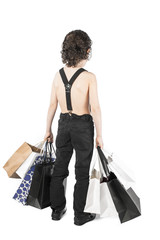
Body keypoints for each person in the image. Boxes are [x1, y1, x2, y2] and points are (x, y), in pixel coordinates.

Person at [44, 29, 104, 226]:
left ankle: (56, 209)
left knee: (60, 167)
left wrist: (48, 129)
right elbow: (94, 107)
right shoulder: (89, 77)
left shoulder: (57, 75)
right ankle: (80, 215)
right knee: (82, 170)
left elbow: (52, 105)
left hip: (63, 124)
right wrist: (100, 135)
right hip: (83, 127)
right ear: (87, 51)